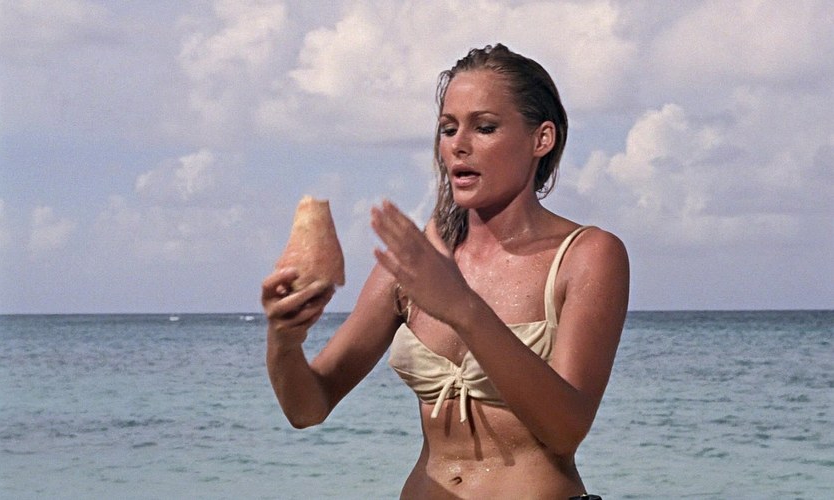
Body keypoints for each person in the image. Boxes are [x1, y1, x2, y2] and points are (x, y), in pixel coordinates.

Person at [261, 43, 629, 499]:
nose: (458, 144)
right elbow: (308, 407)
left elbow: (565, 429)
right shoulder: (420, 261)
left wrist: (462, 308)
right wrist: (284, 342)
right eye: (448, 128)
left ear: (542, 139)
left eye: (485, 127)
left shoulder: (586, 254)